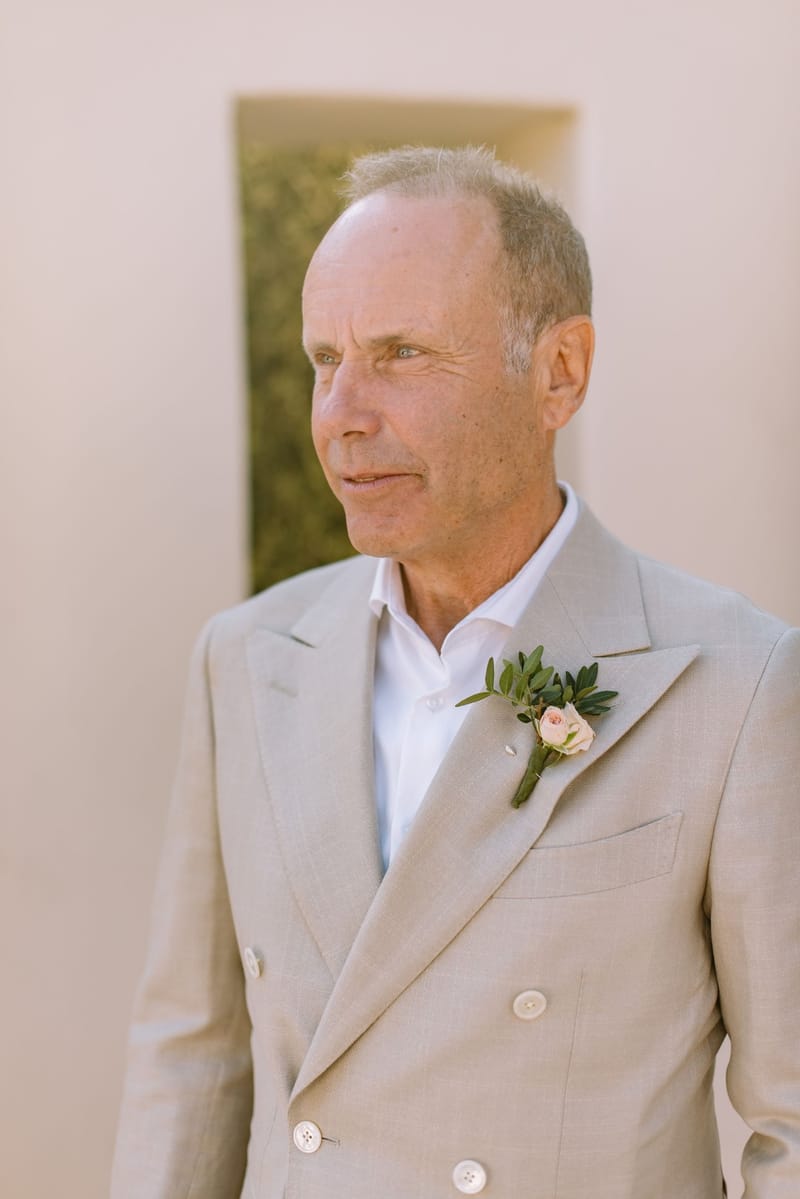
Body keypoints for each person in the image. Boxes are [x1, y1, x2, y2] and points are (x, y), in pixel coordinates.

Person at [111, 146, 799, 1198]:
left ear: (557, 372)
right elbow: (190, 1059)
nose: (340, 412)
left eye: (399, 352)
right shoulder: (246, 659)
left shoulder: (736, 680)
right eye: (322, 357)